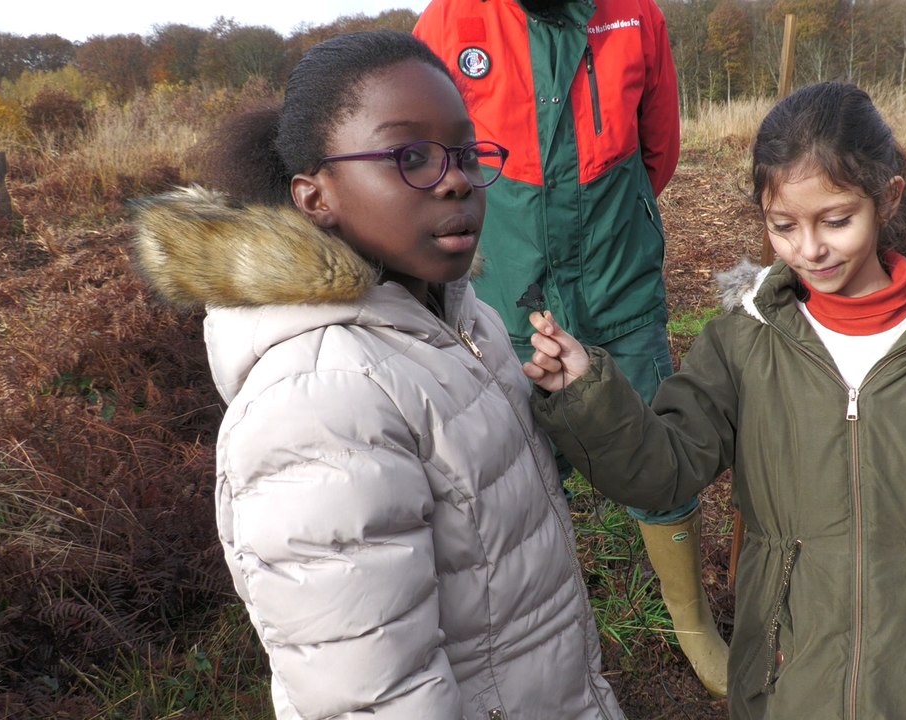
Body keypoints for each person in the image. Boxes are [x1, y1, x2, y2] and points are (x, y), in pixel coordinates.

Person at [521, 81, 906, 718]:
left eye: (836, 220)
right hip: (783, 676)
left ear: (887, 200)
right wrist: (590, 396)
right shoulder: (744, 342)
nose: (810, 249)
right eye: (783, 226)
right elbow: (665, 471)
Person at [129, 31, 625, 720]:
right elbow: (373, 697)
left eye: (465, 152)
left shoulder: (454, 313)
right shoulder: (318, 405)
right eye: (409, 156)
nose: (455, 178)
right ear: (314, 198)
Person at [413, 0, 730, 697]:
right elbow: (431, 158)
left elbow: (659, 151)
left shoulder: (636, 16)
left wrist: (608, 233)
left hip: (620, 280)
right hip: (505, 290)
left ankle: (694, 624)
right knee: (512, 468)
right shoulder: (450, 21)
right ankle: (536, 627)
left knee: (651, 435)